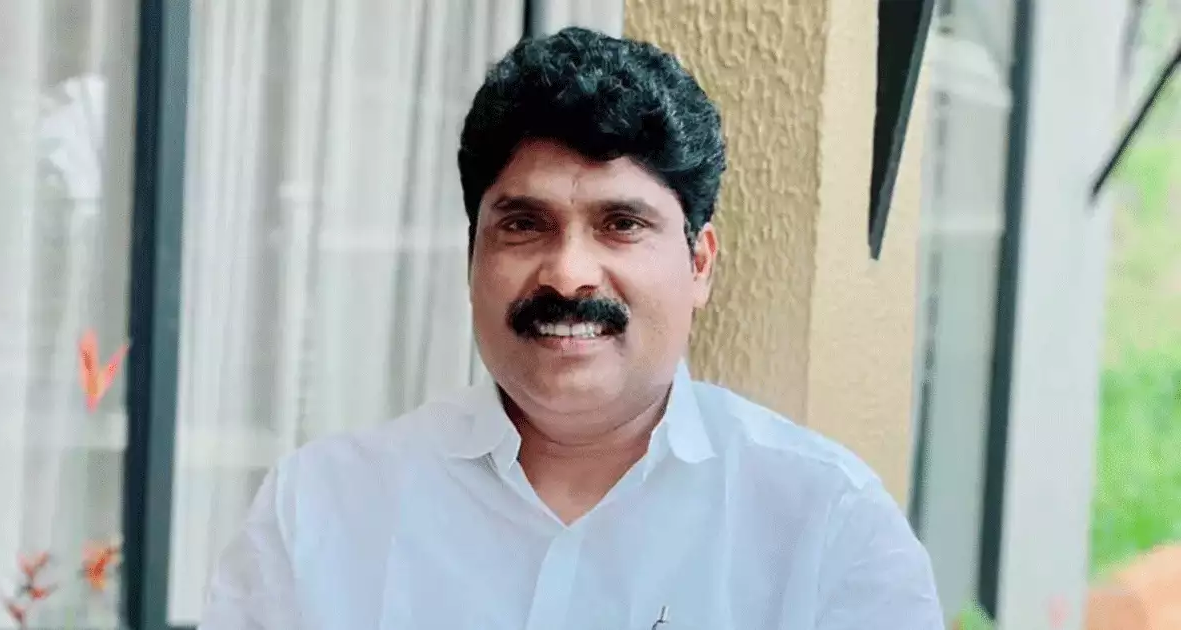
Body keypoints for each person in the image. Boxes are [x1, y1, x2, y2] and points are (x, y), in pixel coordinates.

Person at [199, 26, 943, 630]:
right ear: (472, 257)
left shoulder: (827, 527)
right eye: (525, 225)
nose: (568, 274)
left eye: (622, 224)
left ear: (700, 264)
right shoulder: (321, 511)